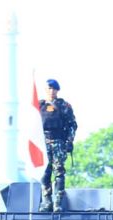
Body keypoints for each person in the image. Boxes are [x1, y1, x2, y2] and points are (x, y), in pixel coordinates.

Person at [38, 79, 78, 212]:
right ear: (45, 89)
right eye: (49, 88)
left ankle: (57, 202)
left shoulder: (64, 106)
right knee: (45, 173)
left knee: (59, 173)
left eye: (54, 89)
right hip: (43, 144)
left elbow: (72, 124)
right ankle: (46, 201)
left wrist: (69, 141)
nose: (52, 91)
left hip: (58, 143)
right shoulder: (39, 106)